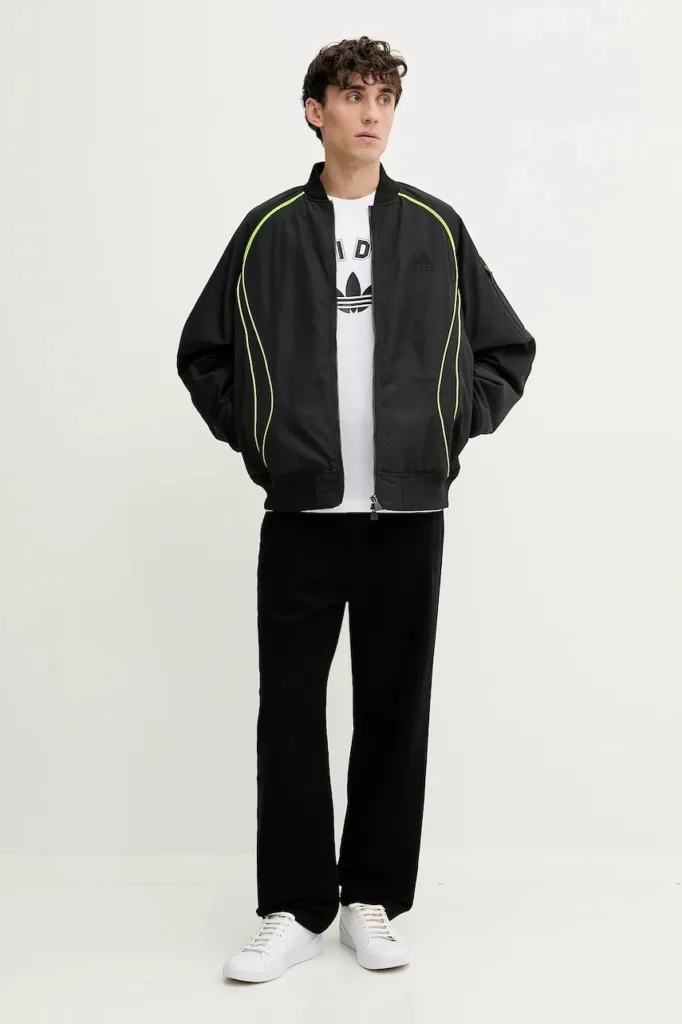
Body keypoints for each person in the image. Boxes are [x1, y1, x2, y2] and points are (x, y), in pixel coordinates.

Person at [176, 35, 536, 984]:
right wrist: (266, 442)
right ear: (316, 111)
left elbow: (505, 349)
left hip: (407, 514)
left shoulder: (435, 228)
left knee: (393, 708)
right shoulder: (266, 231)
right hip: (303, 514)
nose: (371, 113)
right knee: (291, 713)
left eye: (384, 98)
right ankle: (295, 907)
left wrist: (446, 430)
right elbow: (204, 354)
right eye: (352, 96)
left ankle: (370, 897)